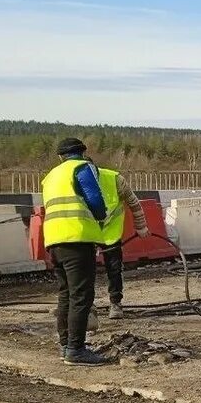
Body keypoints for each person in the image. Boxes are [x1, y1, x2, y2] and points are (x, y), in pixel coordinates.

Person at [41, 138, 114, 366]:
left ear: (60, 157)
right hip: (78, 238)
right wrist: (102, 216)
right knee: (81, 296)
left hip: (54, 241)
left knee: (66, 294)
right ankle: (76, 350)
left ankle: (66, 346)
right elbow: (95, 199)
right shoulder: (83, 168)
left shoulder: (51, 176)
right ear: (83, 152)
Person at [95, 165, 151, 319]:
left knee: (114, 269)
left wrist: (141, 227)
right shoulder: (75, 179)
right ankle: (85, 306)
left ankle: (115, 303)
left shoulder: (115, 179)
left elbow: (134, 203)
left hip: (110, 234)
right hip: (86, 232)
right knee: (83, 271)